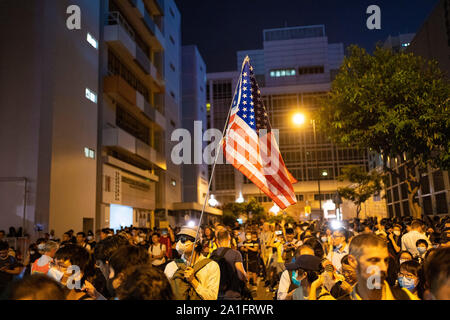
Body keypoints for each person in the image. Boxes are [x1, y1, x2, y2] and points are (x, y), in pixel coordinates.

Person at [341, 233, 418, 300]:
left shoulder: (406, 297)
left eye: (386, 261)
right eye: (374, 260)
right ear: (352, 261)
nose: (383, 268)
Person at [165, 226, 220, 300]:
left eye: (183, 239)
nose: (179, 243)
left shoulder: (211, 266)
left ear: (196, 243)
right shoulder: (171, 266)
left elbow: (212, 297)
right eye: (178, 239)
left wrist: (193, 281)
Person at [212, 230, 248, 300]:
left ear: (217, 240)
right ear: (229, 238)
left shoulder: (213, 253)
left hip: (218, 294)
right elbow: (241, 276)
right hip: (233, 294)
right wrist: (246, 278)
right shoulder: (236, 254)